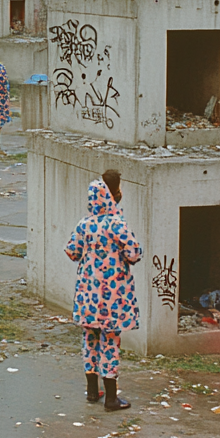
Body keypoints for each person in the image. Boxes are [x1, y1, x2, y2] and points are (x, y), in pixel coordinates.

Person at [65, 170, 141, 410]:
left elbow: (71, 251)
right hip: (113, 296)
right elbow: (134, 253)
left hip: (88, 294)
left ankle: (91, 391)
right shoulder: (117, 224)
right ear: (115, 194)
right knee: (110, 341)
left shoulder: (84, 223)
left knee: (90, 338)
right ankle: (110, 397)